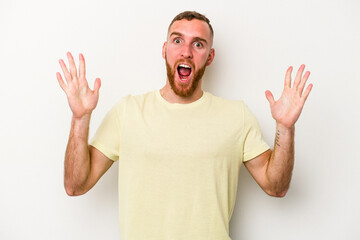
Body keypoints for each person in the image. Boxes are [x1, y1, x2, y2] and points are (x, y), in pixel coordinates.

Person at [56, 11, 312, 240]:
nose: (186, 51)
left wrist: (285, 127)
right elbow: (75, 185)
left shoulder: (237, 116)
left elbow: (276, 187)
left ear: (210, 57)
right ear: (165, 49)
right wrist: (80, 118)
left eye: (197, 44)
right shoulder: (128, 112)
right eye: (178, 40)